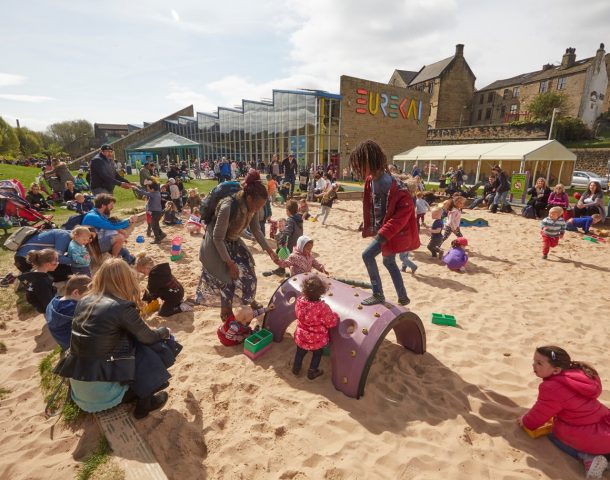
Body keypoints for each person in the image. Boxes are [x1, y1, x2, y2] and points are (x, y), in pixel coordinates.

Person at [54, 259, 180, 418]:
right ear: (126, 280)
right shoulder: (121, 307)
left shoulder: (85, 300)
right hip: (104, 396)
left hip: (80, 387)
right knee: (148, 348)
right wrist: (164, 331)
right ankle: (145, 405)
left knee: (131, 343)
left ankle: (132, 394)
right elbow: (148, 338)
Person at [196, 170, 280, 320]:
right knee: (226, 279)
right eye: (256, 206)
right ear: (248, 198)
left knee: (248, 272)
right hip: (217, 243)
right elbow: (217, 238)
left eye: (261, 206)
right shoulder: (228, 206)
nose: (257, 209)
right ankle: (226, 312)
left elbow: (256, 230)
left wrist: (269, 251)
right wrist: (229, 263)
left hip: (233, 241)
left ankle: (249, 300)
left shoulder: (252, 207)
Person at [518, 346, 610, 478]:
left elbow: (537, 417)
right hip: (605, 424)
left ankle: (589, 458)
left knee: (554, 435)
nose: (534, 365)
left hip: (589, 433)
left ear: (556, 370)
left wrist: (525, 421)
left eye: (539, 363)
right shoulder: (579, 374)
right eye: (534, 361)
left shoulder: (551, 387)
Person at [350, 140, 419, 306]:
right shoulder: (370, 181)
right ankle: (403, 296)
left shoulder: (394, 186)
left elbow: (403, 214)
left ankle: (378, 293)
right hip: (384, 230)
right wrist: (369, 223)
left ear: (372, 162)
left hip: (390, 233)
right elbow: (372, 205)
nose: (358, 169)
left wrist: (382, 233)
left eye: (360, 165)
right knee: (389, 262)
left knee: (367, 255)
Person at [292, 275, 339, 380]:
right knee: (317, 354)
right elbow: (331, 323)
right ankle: (312, 371)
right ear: (321, 292)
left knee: (300, 352)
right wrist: (335, 316)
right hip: (316, 339)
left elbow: (297, 314)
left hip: (301, 336)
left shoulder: (300, 302)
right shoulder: (322, 308)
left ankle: (296, 368)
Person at [82, 193, 138, 262]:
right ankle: (114, 262)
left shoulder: (100, 214)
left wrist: (124, 227)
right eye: (111, 205)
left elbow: (112, 225)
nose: (112, 207)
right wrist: (129, 221)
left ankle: (126, 259)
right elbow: (112, 226)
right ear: (103, 205)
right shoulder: (93, 216)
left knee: (124, 251)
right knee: (120, 237)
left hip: (97, 242)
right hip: (91, 247)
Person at [135, 253, 192, 317]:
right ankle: (179, 302)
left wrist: (144, 302)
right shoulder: (161, 270)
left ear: (147, 267)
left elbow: (150, 292)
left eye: (142, 272)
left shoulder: (154, 276)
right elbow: (153, 289)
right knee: (157, 291)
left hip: (173, 297)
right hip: (179, 291)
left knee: (163, 313)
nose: (144, 275)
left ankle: (182, 308)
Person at [45, 275, 90, 350]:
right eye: (88, 296)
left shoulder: (55, 301)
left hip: (62, 341)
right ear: (75, 293)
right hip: (73, 345)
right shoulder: (72, 308)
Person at [17, 249, 58, 313]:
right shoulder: (42, 281)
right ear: (47, 264)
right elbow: (48, 303)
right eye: (56, 261)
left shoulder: (33, 274)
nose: (58, 263)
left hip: (40, 307)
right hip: (49, 310)